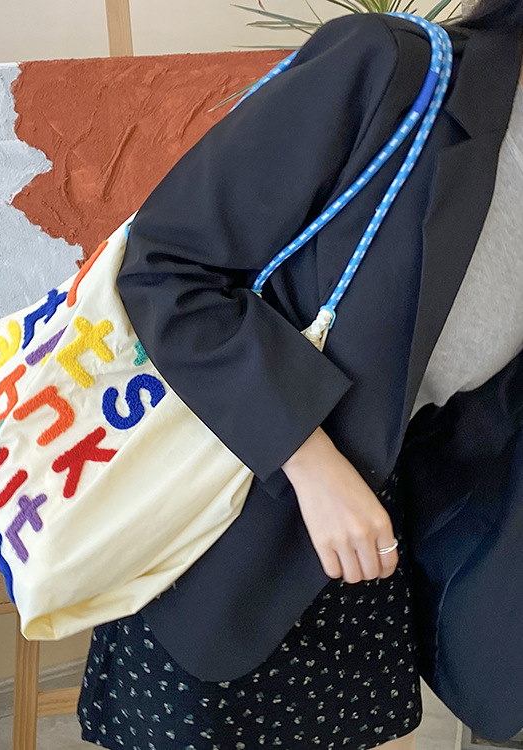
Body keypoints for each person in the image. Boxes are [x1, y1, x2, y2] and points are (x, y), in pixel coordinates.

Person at [77, 1, 523, 748]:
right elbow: (166, 272)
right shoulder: (391, 69)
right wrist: (313, 465)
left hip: (372, 574)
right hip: (232, 530)